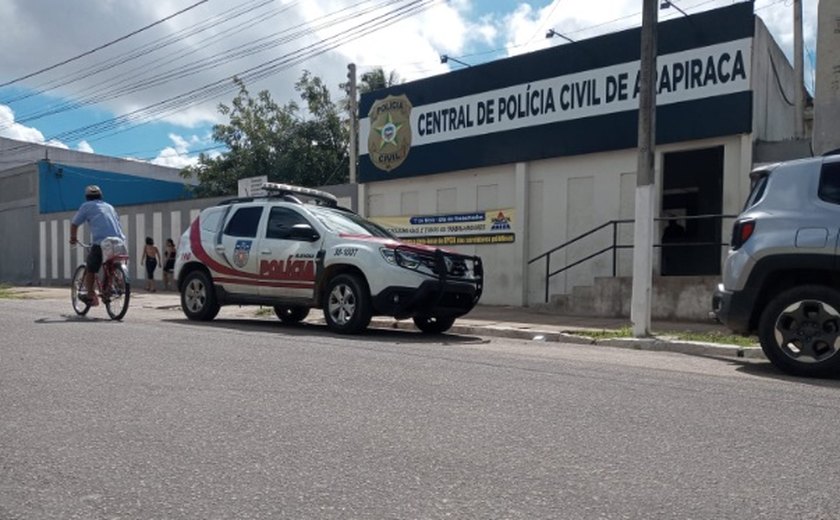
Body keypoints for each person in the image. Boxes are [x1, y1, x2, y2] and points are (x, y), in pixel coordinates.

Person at [69, 185, 126, 307]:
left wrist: (73, 238)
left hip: (101, 242)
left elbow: (74, 224)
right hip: (119, 241)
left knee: (91, 268)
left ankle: (91, 295)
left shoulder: (86, 206)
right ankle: (109, 287)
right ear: (101, 196)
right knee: (109, 265)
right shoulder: (109, 206)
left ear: (87, 197)